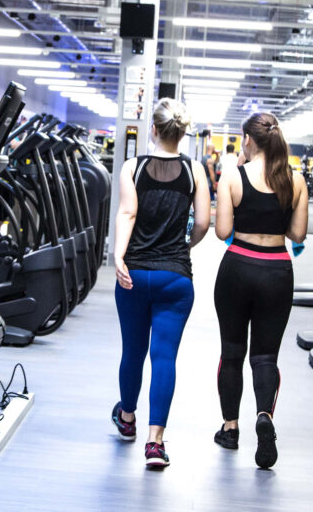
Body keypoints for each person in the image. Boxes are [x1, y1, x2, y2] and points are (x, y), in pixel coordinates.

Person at [111, 98, 211, 468]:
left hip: (134, 275)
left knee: (132, 352)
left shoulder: (133, 167)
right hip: (176, 277)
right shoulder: (195, 171)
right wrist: (184, 247)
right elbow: (202, 222)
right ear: (182, 134)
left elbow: (127, 212)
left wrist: (120, 256)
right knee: (164, 356)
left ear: (153, 129)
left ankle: (127, 419)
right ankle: (155, 444)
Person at [212, 112, 308, 469]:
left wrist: (238, 169)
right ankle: (264, 415)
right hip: (277, 271)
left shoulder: (233, 177)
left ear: (248, 140)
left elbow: (222, 232)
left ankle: (230, 428)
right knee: (265, 357)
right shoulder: (295, 180)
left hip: (237, 268)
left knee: (232, 351)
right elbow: (297, 235)